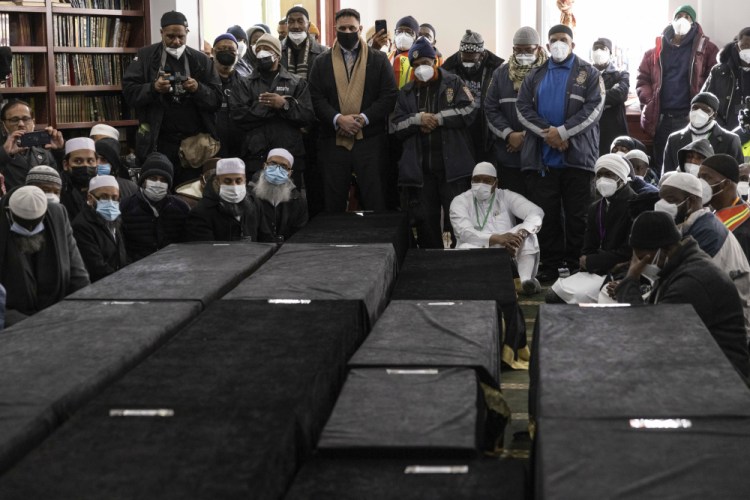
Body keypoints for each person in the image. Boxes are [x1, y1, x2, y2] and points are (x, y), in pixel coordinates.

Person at [516, 24, 605, 282]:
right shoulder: (535, 74)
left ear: (573, 44)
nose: (558, 44)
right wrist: (550, 134)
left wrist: (564, 132)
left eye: (563, 40)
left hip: (578, 159)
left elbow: (594, 109)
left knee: (579, 216)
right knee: (547, 215)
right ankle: (551, 264)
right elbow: (522, 109)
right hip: (543, 160)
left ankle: (577, 264)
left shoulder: (588, 73)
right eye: (553, 40)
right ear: (546, 46)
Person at [615, 210, 749, 379]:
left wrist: (631, 279)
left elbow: (646, 336)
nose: (638, 264)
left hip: (723, 380)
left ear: (663, 250)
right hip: (704, 365)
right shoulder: (682, 266)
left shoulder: (692, 282)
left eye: (642, 258)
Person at [308, 8, 398, 212]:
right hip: (333, 140)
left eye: (351, 28)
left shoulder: (378, 60)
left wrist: (362, 119)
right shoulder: (321, 62)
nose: (347, 32)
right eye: (342, 28)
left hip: (370, 141)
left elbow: (389, 96)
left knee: (375, 199)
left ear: (360, 29)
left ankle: (375, 243)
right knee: (333, 201)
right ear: (335, 29)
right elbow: (315, 97)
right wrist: (338, 119)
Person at [392, 36, 477, 248]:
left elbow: (470, 110)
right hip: (421, 171)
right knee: (426, 222)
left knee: (459, 218)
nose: (422, 68)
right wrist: (417, 119)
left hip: (453, 169)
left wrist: (438, 119)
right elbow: (395, 125)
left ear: (435, 61)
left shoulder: (454, 83)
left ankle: (465, 261)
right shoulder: (406, 92)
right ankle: (431, 264)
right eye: (417, 65)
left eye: (426, 63)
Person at [122, 10, 222, 184]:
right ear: (161, 33)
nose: (176, 42)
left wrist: (198, 89)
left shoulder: (201, 60)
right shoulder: (145, 57)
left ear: (187, 33)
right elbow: (129, 93)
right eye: (170, 36)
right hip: (158, 141)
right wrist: (153, 88)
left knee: (190, 190)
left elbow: (217, 100)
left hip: (194, 143)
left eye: (181, 37)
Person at [657, 172, 750, 333]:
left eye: (671, 200)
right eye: (661, 199)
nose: (662, 205)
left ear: (691, 201)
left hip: (728, 325)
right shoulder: (691, 224)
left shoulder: (708, 233)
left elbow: (686, 290)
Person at [636, 4, 719, 173]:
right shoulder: (655, 51)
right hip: (662, 118)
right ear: (672, 20)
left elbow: (715, 78)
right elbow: (642, 79)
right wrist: (650, 99)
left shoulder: (707, 49)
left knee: (692, 167)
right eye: (679, 16)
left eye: (687, 17)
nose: (682, 20)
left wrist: (704, 107)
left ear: (694, 22)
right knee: (663, 167)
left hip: (691, 118)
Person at [229, 33, 315, 183]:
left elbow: (307, 116)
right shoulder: (244, 83)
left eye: (267, 49)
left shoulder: (296, 82)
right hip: (255, 154)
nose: (262, 52)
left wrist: (284, 105)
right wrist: (268, 107)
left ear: (277, 54)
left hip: (289, 154)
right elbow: (238, 116)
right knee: (256, 200)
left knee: (289, 201)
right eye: (259, 48)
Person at [0, 185, 89, 326]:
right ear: (9, 213)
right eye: (25, 224)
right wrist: (30, 324)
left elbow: (78, 275)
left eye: (34, 224)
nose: (30, 229)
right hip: (16, 326)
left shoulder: (57, 215)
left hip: (60, 319)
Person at [450, 162, 543, 295]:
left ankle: (524, 282)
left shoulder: (505, 196)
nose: (481, 184)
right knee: (465, 247)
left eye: (487, 181)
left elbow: (536, 212)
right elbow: (465, 232)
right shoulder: (459, 201)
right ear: (471, 181)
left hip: (508, 249)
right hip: (477, 248)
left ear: (496, 183)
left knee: (528, 233)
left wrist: (520, 235)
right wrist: (498, 239)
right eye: (477, 180)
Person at [486, 26, 548, 195]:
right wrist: (509, 134)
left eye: (528, 50)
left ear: (539, 49)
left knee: (542, 211)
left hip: (541, 155)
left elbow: (553, 112)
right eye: (518, 50)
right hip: (509, 154)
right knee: (511, 209)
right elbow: (490, 109)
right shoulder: (501, 73)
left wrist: (526, 137)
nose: (523, 54)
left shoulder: (549, 73)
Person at [442, 29, 504, 162]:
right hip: (460, 128)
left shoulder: (496, 69)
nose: (467, 64)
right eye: (464, 58)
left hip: (486, 132)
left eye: (472, 59)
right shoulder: (449, 68)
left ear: (482, 55)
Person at [120, 153, 190, 262]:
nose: (158, 183)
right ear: (143, 180)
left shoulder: (180, 208)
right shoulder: (126, 207)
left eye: (163, 180)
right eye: (153, 178)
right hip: (137, 269)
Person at [662, 92, 743, 174]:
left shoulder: (730, 140)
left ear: (714, 115)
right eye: (695, 108)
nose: (698, 112)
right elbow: (666, 176)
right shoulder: (673, 139)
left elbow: (737, 176)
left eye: (705, 110)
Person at [185, 157, 260, 241]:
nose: (234, 186)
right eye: (227, 181)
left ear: (245, 180)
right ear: (217, 182)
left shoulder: (253, 204)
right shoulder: (201, 213)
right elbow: (204, 250)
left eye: (238, 181)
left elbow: (264, 241)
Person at [71, 175, 128, 282]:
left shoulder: (114, 221)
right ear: (90, 198)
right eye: (104, 197)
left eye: (114, 197)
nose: (110, 202)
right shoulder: (82, 226)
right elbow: (96, 268)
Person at [0, 99, 65, 190]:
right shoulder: (3, 153)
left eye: (26, 119)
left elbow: (61, 184)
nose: (21, 124)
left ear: (33, 122)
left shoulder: (45, 153)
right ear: (3, 126)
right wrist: (4, 153)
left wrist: (59, 152)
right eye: (14, 120)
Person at [249, 148, 308, 244]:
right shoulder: (249, 196)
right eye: (273, 163)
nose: (277, 169)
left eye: (284, 166)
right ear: (265, 166)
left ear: (290, 173)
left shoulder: (297, 200)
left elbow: (299, 235)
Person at [698, 154, 750, 259]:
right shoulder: (714, 213)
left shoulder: (743, 231)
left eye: (706, 177)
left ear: (725, 183)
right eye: (699, 177)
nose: (699, 183)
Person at [702, 27, 750, 130]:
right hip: (724, 132)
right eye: (744, 46)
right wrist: (719, 127)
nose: (747, 50)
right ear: (737, 47)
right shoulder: (718, 71)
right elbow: (704, 102)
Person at [591, 37, 630, 157]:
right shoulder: (585, 74)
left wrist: (592, 96)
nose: (598, 51)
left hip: (614, 128)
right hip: (591, 128)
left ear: (610, 53)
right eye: (595, 48)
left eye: (602, 48)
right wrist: (609, 94)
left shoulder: (620, 74)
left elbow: (620, 94)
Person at [211, 33, 246, 158]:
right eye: (221, 49)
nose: (226, 52)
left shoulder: (244, 82)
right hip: (211, 148)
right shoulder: (203, 80)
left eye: (231, 50)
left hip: (239, 148)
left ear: (237, 54)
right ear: (212, 52)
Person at [281, 6, 327, 80]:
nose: (296, 26)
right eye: (291, 21)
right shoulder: (277, 51)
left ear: (308, 25)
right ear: (286, 25)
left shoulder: (322, 52)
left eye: (300, 21)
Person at [59, 137, 98, 221]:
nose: (85, 165)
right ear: (66, 165)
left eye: (90, 161)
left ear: (97, 163)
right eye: (78, 161)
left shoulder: (104, 189)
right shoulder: (59, 191)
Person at [389, 15, 419, 89]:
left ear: (416, 37)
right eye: (399, 31)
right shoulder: (387, 56)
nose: (403, 35)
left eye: (409, 32)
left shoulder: (419, 60)